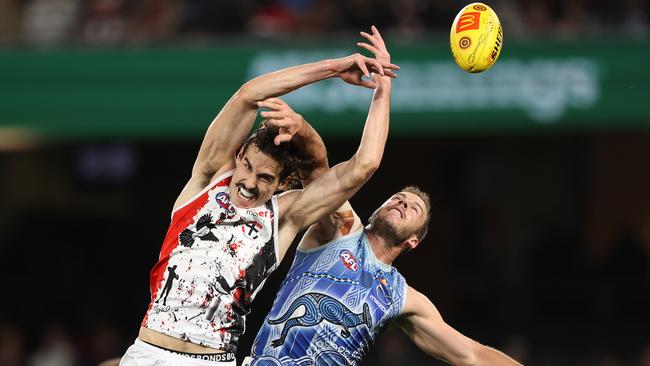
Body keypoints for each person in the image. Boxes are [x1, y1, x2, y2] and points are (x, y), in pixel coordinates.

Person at [119, 27, 399, 366]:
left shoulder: (284, 216)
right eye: (247, 167)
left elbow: (363, 165)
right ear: (238, 158)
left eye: (265, 178)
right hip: (146, 352)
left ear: (282, 185)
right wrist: (333, 68)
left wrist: (383, 86)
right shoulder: (205, 181)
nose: (249, 183)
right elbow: (248, 96)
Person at [244, 28, 522, 366]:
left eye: (413, 207)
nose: (402, 202)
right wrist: (305, 127)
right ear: (375, 211)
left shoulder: (401, 297)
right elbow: (319, 167)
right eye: (397, 198)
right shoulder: (339, 231)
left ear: (414, 241)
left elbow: (471, 354)